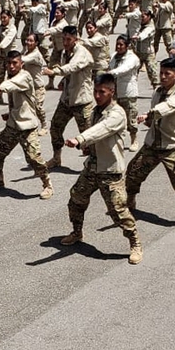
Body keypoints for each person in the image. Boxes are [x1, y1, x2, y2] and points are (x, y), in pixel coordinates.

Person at [58, 73, 143, 265]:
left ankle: (135, 243)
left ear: (111, 92)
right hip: (92, 168)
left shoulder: (117, 114)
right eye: (95, 91)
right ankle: (77, 232)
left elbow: (102, 129)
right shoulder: (96, 111)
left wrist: (80, 140)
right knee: (76, 199)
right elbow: (96, 134)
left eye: (101, 92)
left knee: (118, 211)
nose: (97, 95)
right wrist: (88, 147)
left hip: (110, 171)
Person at [125, 57, 175, 227]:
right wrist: (148, 120)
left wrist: (149, 114)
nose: (162, 76)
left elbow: (168, 106)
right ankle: (130, 201)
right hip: (153, 144)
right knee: (133, 173)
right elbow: (154, 115)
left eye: (166, 73)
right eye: (161, 73)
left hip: (172, 146)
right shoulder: (158, 91)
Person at [0, 50, 54, 200]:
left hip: (27, 127)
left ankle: (47, 185)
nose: (11, 66)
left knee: (34, 158)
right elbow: (16, 98)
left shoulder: (25, 76)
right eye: (8, 63)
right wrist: (11, 114)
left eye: (14, 63)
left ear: (21, 64)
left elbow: (11, 85)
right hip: (13, 125)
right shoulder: (11, 76)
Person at [44, 25, 93, 168]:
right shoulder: (67, 52)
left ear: (75, 39)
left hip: (81, 100)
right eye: (63, 39)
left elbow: (73, 67)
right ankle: (56, 158)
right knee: (55, 127)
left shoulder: (81, 53)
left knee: (88, 136)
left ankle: (94, 164)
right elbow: (70, 72)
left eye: (68, 39)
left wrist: (55, 72)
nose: (65, 42)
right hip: (67, 99)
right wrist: (63, 80)